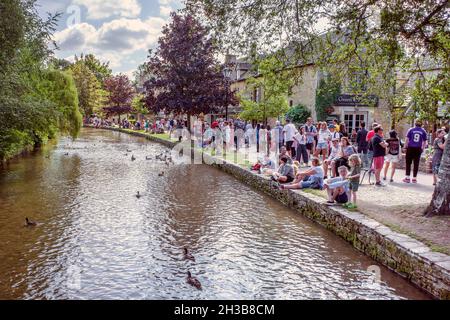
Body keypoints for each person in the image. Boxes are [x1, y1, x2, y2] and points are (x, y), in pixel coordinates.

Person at [403, 119, 428, 183]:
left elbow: (407, 139)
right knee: (416, 163)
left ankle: (407, 177)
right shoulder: (423, 131)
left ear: (415, 124)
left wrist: (405, 147)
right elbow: (425, 141)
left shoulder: (411, 130)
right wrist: (423, 148)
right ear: (421, 124)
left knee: (408, 163)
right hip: (418, 148)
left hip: (410, 148)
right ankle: (414, 178)